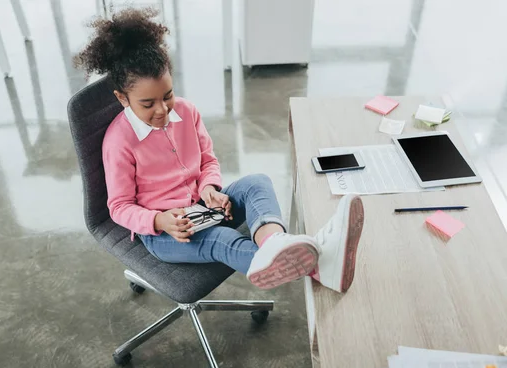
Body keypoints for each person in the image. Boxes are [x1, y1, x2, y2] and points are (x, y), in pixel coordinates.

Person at [74, 7, 365, 292]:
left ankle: (274, 242)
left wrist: (209, 188)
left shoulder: (187, 112)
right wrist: (158, 220)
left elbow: (207, 160)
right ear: (122, 98)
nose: (162, 109)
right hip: (166, 232)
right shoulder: (118, 141)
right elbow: (119, 207)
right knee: (223, 240)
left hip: (204, 208)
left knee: (256, 183)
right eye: (148, 104)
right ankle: (319, 265)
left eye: (168, 96)